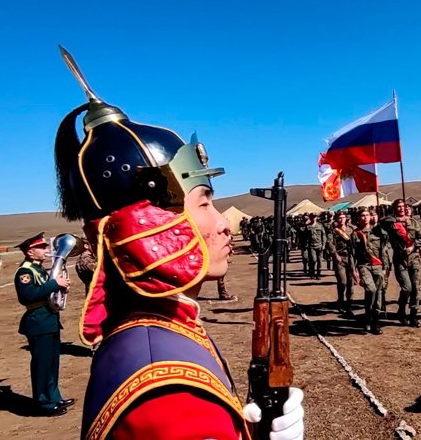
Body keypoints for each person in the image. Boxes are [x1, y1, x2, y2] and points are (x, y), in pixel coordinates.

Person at [53, 50, 303, 440]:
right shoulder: (172, 396)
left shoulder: (153, 331)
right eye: (203, 201)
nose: (222, 223)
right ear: (145, 227)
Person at [14, 232, 73, 416]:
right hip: (38, 322)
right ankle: (43, 403)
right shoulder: (25, 272)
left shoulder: (39, 269)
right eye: (42, 247)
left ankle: (54, 397)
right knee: (42, 365)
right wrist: (54, 284)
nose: (47, 249)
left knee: (52, 364)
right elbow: (27, 296)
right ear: (30, 252)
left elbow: (46, 291)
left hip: (49, 320)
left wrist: (61, 287)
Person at [379, 199, 421, 327]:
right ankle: (401, 310)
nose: (401, 209)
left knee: (415, 288)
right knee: (407, 288)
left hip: (414, 258)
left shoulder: (414, 222)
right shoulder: (391, 222)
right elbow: (382, 221)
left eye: (403, 206)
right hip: (400, 259)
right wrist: (398, 220)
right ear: (394, 208)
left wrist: (413, 247)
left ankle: (413, 315)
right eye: (398, 206)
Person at [350, 209, 387, 334]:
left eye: (367, 215)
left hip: (378, 265)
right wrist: (353, 270)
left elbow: (384, 250)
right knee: (371, 289)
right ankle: (368, 317)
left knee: (378, 294)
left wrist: (385, 266)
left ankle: (374, 321)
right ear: (358, 218)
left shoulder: (378, 231)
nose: (365, 218)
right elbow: (352, 254)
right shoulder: (355, 234)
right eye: (362, 216)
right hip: (363, 265)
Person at [327, 211, 354, 316]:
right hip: (339, 258)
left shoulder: (351, 230)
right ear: (336, 219)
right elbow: (330, 243)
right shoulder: (333, 231)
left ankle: (349, 305)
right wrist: (335, 255)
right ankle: (341, 301)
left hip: (351, 258)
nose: (342, 219)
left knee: (351, 282)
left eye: (343, 217)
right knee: (343, 282)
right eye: (339, 218)